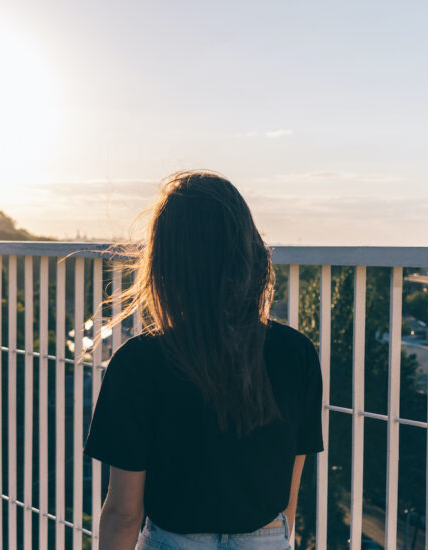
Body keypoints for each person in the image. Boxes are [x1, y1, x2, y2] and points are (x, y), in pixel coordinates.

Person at [84, 171, 324, 550]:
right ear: (249, 252)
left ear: (165, 265)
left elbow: (124, 513)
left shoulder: (138, 364)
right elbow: (287, 499)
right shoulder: (298, 354)